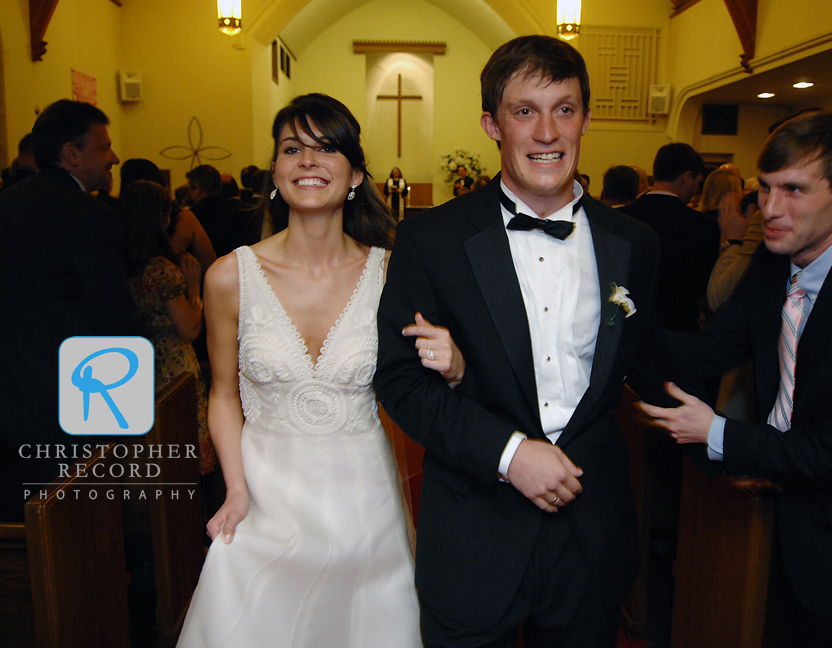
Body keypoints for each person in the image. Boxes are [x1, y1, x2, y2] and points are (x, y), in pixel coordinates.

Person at [376, 35, 671, 647]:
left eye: (564, 109)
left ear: (585, 119)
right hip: (475, 528)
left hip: (591, 531)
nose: (547, 132)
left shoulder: (634, 243)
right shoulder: (432, 240)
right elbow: (401, 382)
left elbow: (646, 359)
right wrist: (510, 453)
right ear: (492, 124)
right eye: (524, 111)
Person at [177, 93, 464, 648]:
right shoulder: (227, 277)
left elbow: (431, 383)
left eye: (326, 148)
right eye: (292, 149)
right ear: (276, 173)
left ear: (355, 174)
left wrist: (453, 366)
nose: (307, 161)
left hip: (362, 500)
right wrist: (236, 490)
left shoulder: (392, 273)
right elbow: (223, 397)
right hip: (262, 494)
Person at [641, 111, 832, 647]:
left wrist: (718, 434)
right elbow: (711, 348)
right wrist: (609, 326)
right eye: (764, 188)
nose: (770, 210)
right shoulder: (773, 261)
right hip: (771, 508)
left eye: (794, 190)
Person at [0, 99, 138, 521]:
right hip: (74, 407)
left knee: (23, 540)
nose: (114, 157)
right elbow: (113, 319)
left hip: (10, 403)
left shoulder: (6, 205)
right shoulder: (89, 215)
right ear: (71, 153)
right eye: (104, 148)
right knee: (83, 534)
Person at [121, 180, 214, 480]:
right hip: (172, 362)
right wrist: (194, 288)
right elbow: (189, 328)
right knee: (180, 443)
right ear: (162, 217)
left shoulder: (121, 262)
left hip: (135, 358)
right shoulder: (162, 270)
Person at [620, 143, 720, 332]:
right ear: (687, 177)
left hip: (628, 329)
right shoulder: (703, 225)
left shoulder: (623, 218)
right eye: (697, 183)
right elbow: (706, 287)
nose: (696, 191)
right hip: (679, 330)